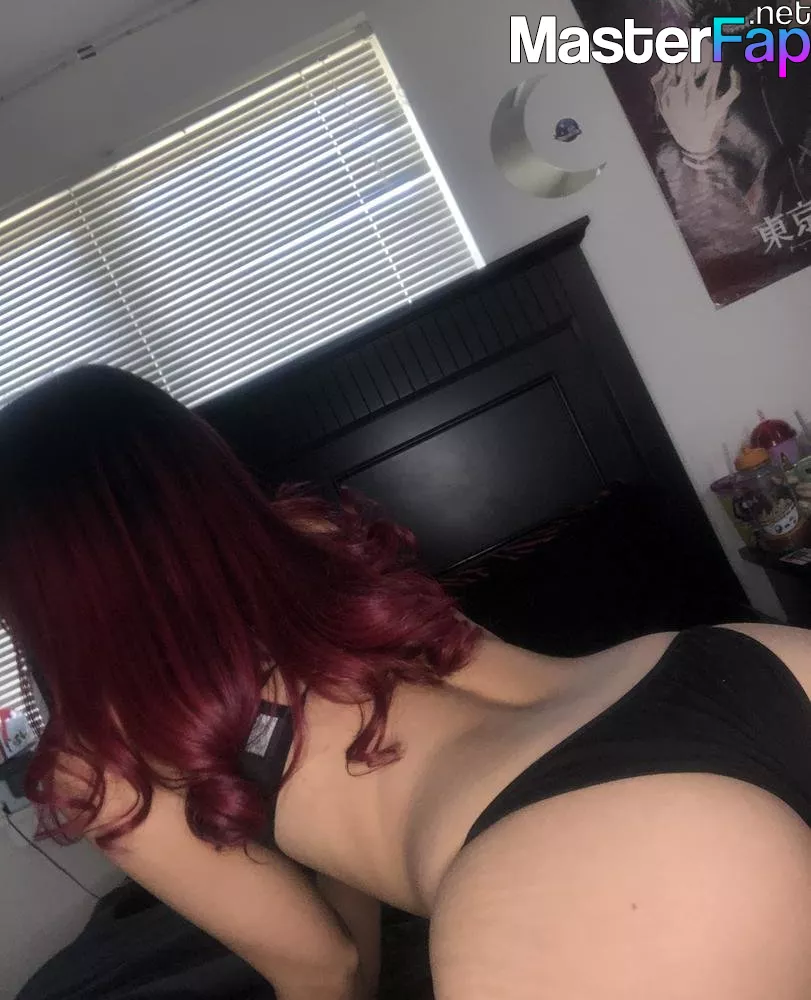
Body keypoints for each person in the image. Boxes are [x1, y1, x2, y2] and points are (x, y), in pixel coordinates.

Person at [1, 365, 809, 1000]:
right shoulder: (306, 532)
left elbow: (324, 968)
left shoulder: (94, 758)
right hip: (728, 670)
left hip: (567, 852)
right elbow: (345, 806)